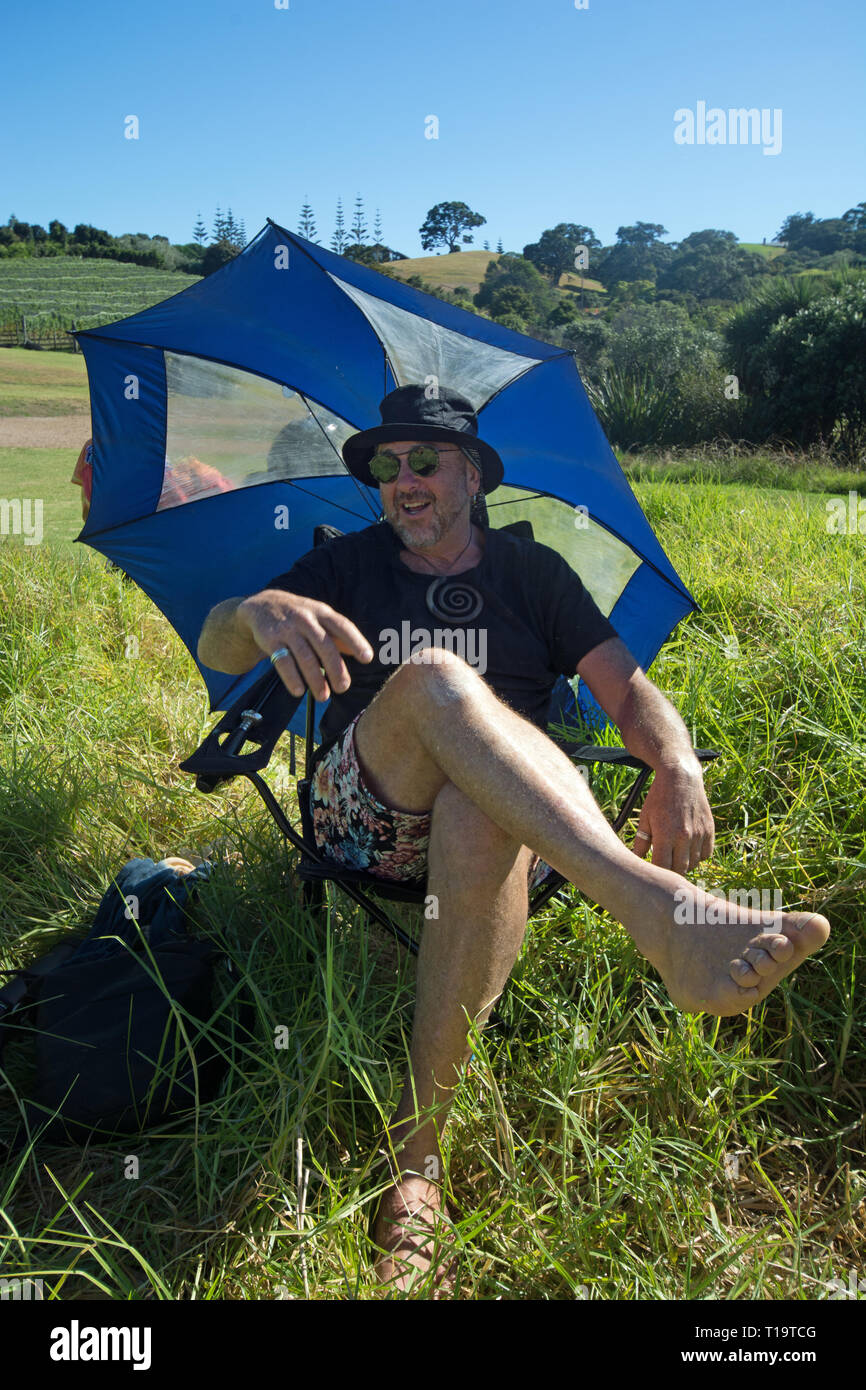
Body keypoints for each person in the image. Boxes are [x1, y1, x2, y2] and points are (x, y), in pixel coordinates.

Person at [197, 384, 830, 1296]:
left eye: (423, 462)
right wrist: (257, 610)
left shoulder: (536, 578)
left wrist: (679, 764)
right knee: (438, 678)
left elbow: (627, 691)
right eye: (385, 465)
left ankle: (415, 1173)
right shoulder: (343, 569)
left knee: (475, 805)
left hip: (509, 831)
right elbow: (221, 644)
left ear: (472, 476)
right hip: (365, 811)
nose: (401, 481)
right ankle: (656, 909)